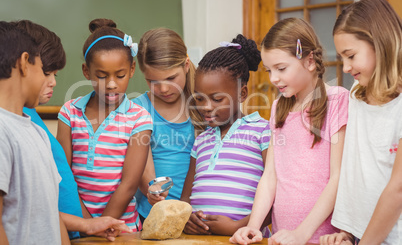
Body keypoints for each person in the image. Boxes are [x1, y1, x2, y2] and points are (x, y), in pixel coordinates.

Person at [230, 18, 349, 245]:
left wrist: (301, 233)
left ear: (310, 61)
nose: (273, 78)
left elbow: (338, 177)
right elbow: (270, 176)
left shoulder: (337, 100)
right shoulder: (278, 107)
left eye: (281, 68)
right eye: (269, 70)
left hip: (324, 238)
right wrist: (253, 226)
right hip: (281, 239)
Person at [13, 20, 131, 241]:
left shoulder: (31, 121)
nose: (53, 83)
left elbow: (44, 203)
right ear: (23, 65)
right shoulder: (15, 127)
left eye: (55, 75)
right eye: (47, 72)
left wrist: (88, 225)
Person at [320, 0, 402, 245]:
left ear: (380, 44)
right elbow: (357, 168)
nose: (345, 67)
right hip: (358, 236)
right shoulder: (356, 93)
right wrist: (346, 230)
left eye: (351, 56)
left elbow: (398, 189)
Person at [57, 18, 152, 232]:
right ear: (86, 71)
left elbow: (129, 184)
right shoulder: (69, 113)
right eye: (101, 76)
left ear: (132, 69)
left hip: (122, 229)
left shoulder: (139, 118)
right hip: (78, 226)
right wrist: (87, 225)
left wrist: (105, 223)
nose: (111, 84)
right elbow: (64, 176)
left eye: (119, 75)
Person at [180, 34, 271, 236]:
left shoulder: (263, 131)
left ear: (242, 93)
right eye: (200, 98)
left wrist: (239, 227)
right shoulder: (201, 140)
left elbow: (275, 198)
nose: (205, 107)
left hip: (245, 238)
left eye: (217, 99)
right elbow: (185, 198)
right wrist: (187, 217)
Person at [0, 21, 70, 244]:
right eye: (43, 70)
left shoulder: (37, 132)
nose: (48, 81)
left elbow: (52, 215)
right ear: (23, 63)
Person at [133, 28, 200, 222]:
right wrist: (153, 192)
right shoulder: (138, 109)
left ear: (186, 65)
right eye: (152, 81)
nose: (163, 89)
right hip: (154, 215)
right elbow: (142, 166)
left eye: (171, 78)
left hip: (199, 214)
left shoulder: (203, 104)